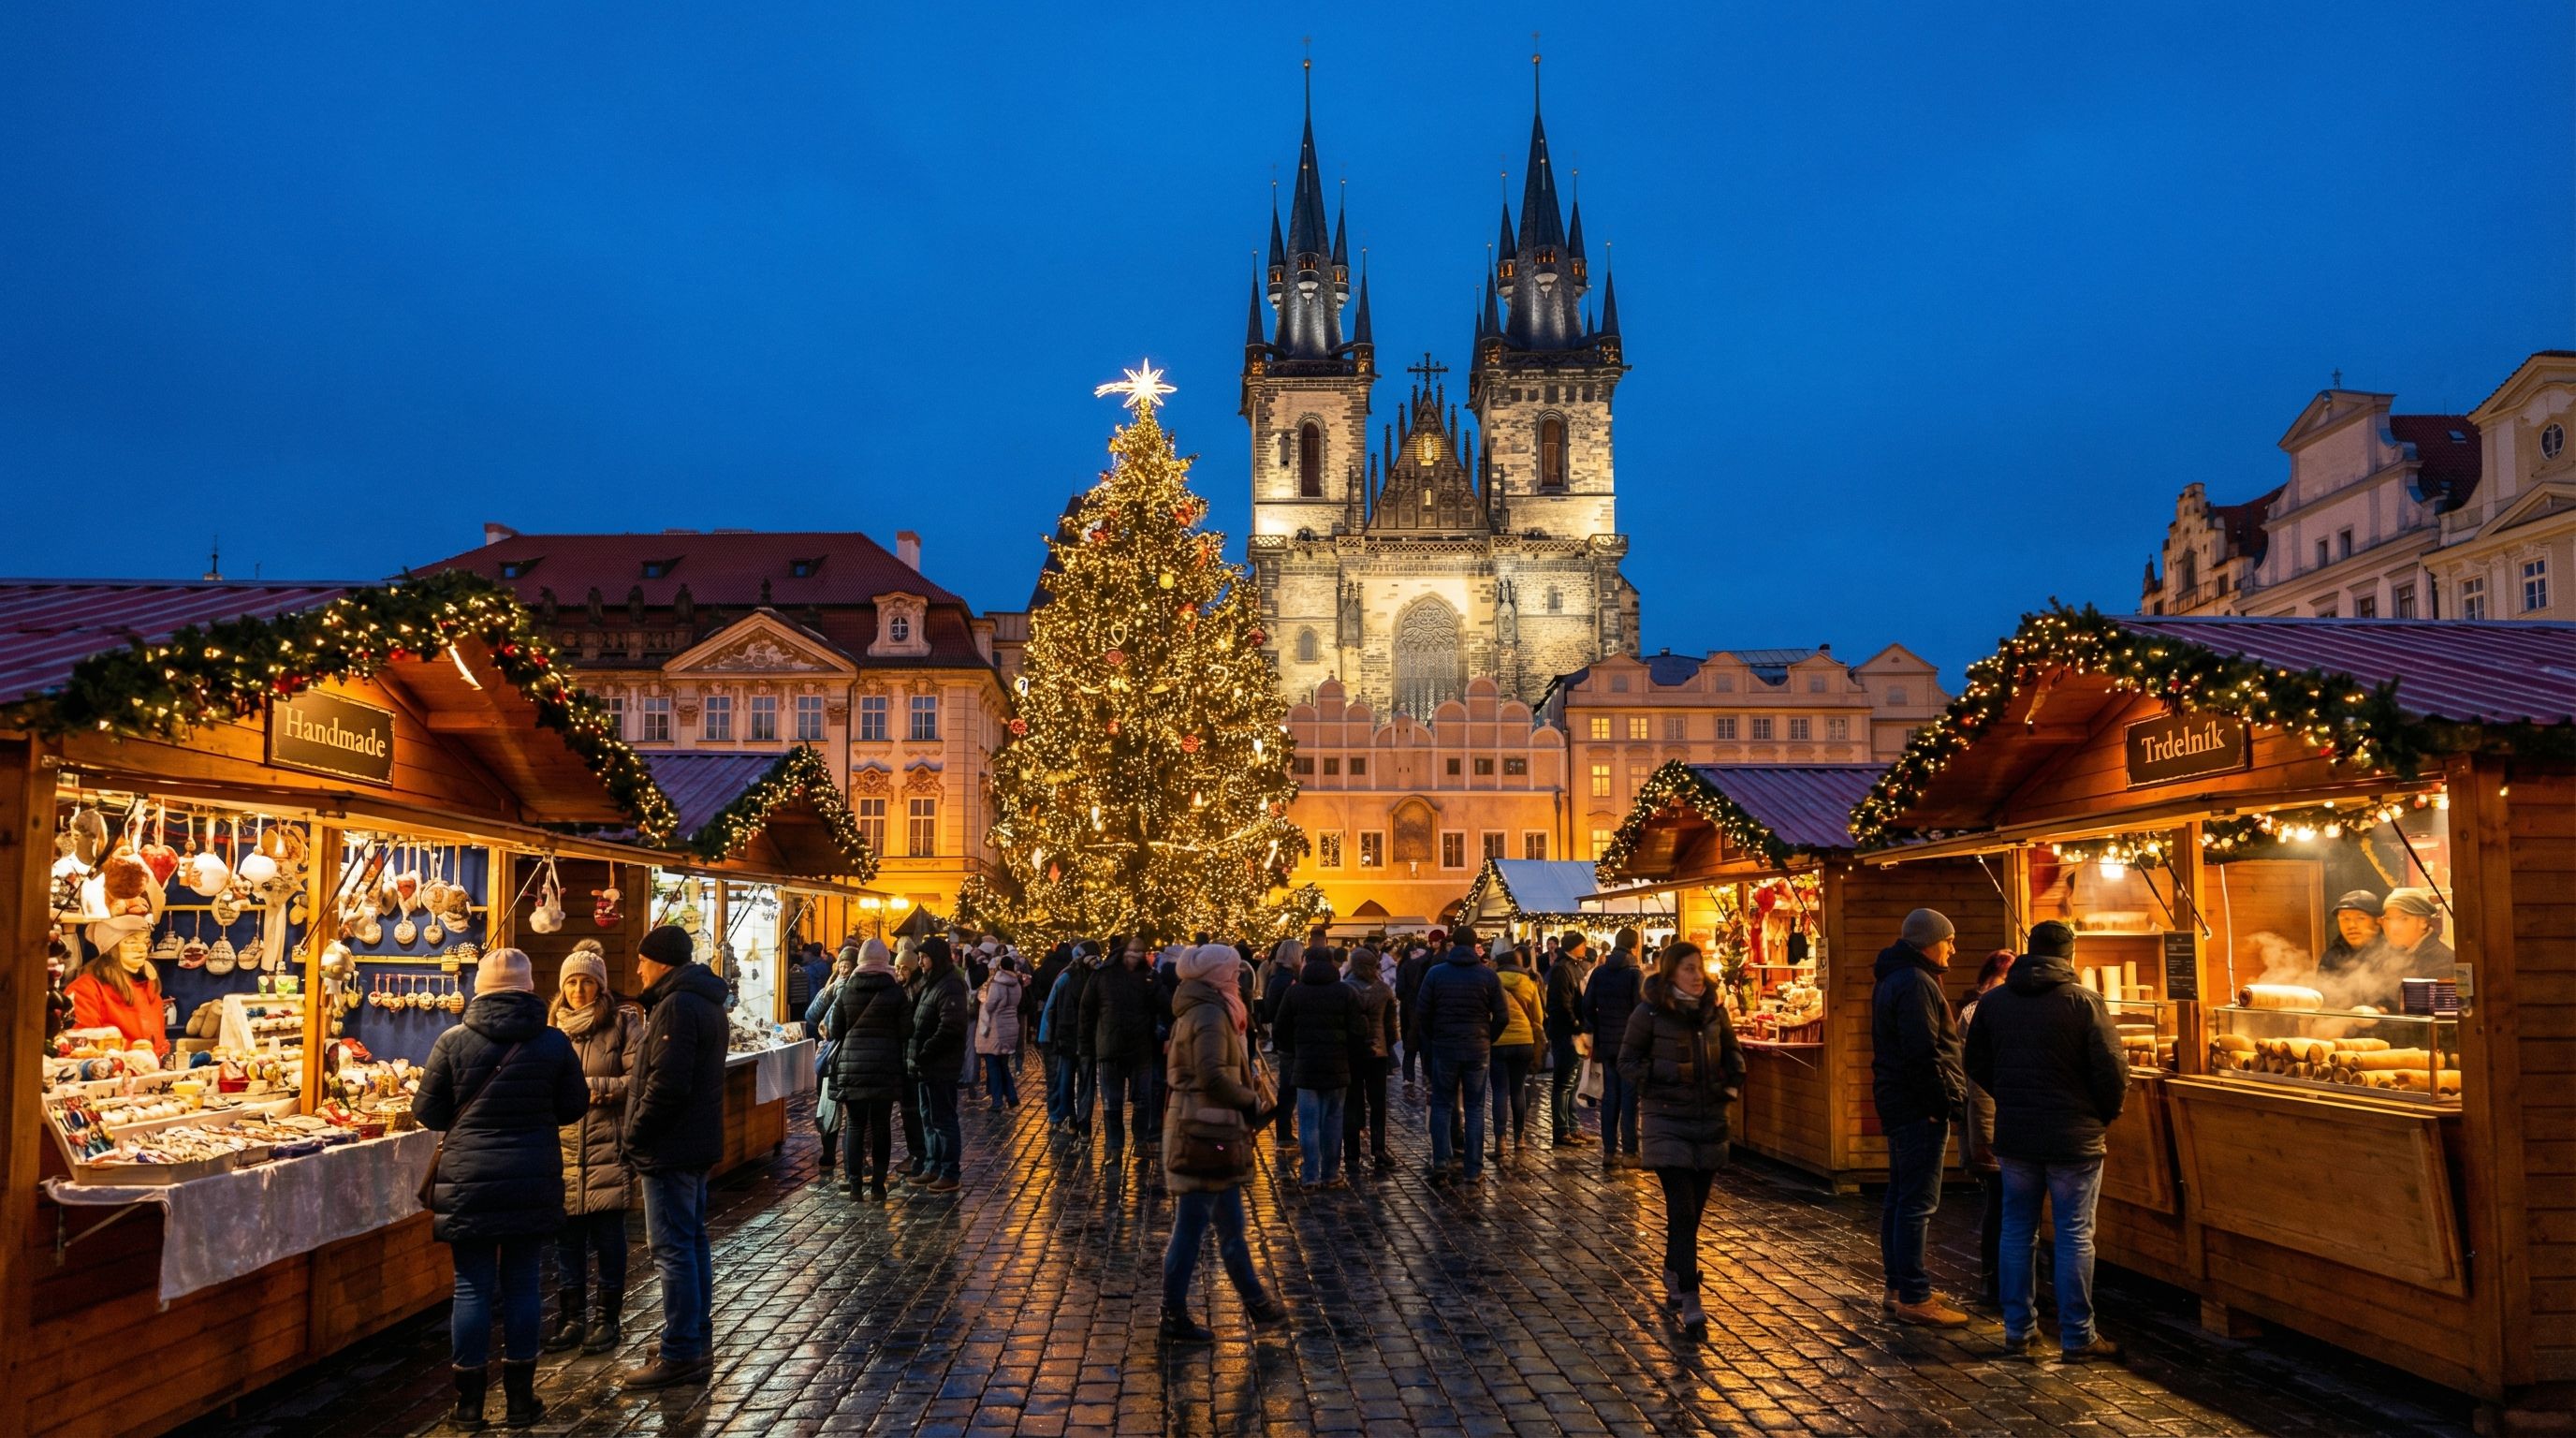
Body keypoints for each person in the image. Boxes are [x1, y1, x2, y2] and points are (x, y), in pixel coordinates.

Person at [415, 947, 587, 1429]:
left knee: (471, 1288)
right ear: (530, 987)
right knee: (523, 1283)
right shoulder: (554, 1044)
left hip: (468, 1181)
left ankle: (468, 1406)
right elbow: (575, 1106)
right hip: (532, 1174)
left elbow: (427, 1112)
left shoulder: (452, 1042)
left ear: (480, 987)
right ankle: (519, 1401)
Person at [1964, 920, 2129, 1362]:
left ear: (2029, 952)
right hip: (2075, 1138)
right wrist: (2103, 1113)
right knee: (2075, 1234)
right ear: (2070, 955)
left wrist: (2010, 1096)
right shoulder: (2084, 1002)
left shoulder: (1994, 1003)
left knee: (2017, 1230)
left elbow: (1975, 1062)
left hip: (2016, 1134)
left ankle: (2018, 1331)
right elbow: (2112, 1069)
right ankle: (2078, 1337)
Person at [620, 924, 731, 1390]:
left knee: (673, 1249)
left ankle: (682, 1349)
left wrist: (635, 1135)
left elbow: (667, 1084)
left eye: (643, 960)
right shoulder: (699, 1000)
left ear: (661, 960)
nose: (638, 969)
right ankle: (691, 1336)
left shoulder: (677, 1006)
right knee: (691, 1241)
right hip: (692, 1141)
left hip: (671, 1145)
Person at [1159, 941, 1288, 1342]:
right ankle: (1174, 1316)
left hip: (1209, 1130)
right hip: (1203, 1132)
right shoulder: (1210, 1015)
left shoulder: (1209, 1008)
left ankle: (1259, 1307)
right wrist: (1253, 1101)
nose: (1238, 977)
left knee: (1229, 1226)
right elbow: (1213, 1075)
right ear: (1217, 976)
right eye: (1232, 971)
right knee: (1192, 1227)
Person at [1617, 940, 1746, 1337]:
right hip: (1667, 1121)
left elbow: (1732, 1054)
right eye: (1688, 968)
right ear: (1671, 972)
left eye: (1699, 967)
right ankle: (1691, 1299)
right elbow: (1627, 1062)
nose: (1696, 975)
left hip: (1709, 1122)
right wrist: (1664, 1075)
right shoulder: (1649, 1012)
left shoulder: (1713, 1010)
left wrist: (1732, 1083)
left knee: (1693, 1215)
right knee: (1682, 1212)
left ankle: (1675, 1268)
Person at [545, 945, 646, 1357]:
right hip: (563, 1148)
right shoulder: (551, 1030)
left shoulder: (622, 1024)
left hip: (608, 1144)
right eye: (572, 981)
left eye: (587, 981)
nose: (579, 989)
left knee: (608, 1238)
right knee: (567, 1240)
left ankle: (607, 1318)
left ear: (601, 986)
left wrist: (595, 1090)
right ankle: (571, 1318)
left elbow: (638, 1077)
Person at [1871, 906, 1969, 1328]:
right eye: (1948, 940)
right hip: (1917, 1108)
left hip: (1899, 1102)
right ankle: (1914, 1293)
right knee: (1917, 1204)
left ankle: (1899, 1285)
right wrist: (1938, 1105)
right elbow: (1923, 1052)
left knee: (1900, 1198)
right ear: (1930, 942)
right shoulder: (1916, 983)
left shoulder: (1897, 977)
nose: (1953, 948)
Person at [1409, 925, 1506, 1185]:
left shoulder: (1436, 974)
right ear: (1475, 945)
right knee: (1474, 1108)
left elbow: (1423, 1013)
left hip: (1445, 1047)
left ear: (1452, 945)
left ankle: (1441, 1163)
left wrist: (1436, 1037)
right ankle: (1473, 1170)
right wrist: (1487, 1038)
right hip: (1477, 1049)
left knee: (1442, 1105)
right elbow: (1502, 1016)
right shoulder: (1487, 976)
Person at [1272, 941, 1360, 1189]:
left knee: (1309, 1122)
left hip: (1305, 1064)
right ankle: (1330, 1174)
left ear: (1306, 963)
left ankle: (1310, 1175)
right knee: (1333, 1120)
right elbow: (1358, 1030)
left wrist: (1295, 1049)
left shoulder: (1295, 992)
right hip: (1336, 1065)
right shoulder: (1345, 992)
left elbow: (1280, 1029)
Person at [1956, 949, 2015, 1311]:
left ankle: (1996, 1284)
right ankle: (1997, 1286)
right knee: (2002, 1206)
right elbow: (1981, 1087)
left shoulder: (1976, 1011)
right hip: (1997, 1130)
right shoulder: (1983, 1012)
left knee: (2001, 1206)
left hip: (1994, 1127)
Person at [831, 938, 913, 1200]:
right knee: (881, 1125)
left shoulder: (848, 989)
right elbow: (905, 1030)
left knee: (854, 1125)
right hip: (885, 1067)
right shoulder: (895, 992)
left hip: (852, 1067)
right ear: (885, 960)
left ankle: (854, 1185)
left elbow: (835, 1029)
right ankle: (878, 1185)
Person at [1081, 936, 1163, 1165]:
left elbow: (1086, 1014)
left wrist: (1087, 1046)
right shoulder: (1147, 977)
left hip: (1110, 1047)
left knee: (1112, 1101)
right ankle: (1140, 1142)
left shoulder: (1101, 975)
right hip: (1140, 1047)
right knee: (1142, 1100)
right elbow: (1165, 1006)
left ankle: (1114, 1148)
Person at [907, 936, 971, 1193]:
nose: (920, 962)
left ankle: (949, 1171)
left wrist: (926, 1050)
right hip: (926, 1065)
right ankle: (932, 1166)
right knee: (929, 1118)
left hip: (939, 1064)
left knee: (943, 1119)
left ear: (936, 957)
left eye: (924, 957)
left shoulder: (950, 984)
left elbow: (951, 1026)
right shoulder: (932, 983)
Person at [1581, 927, 1647, 1170]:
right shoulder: (1634, 974)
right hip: (1629, 1046)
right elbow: (1641, 1011)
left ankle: (1609, 1152)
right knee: (1630, 1098)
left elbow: (1587, 1006)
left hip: (1607, 1044)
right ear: (1635, 946)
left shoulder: (1599, 973)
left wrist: (1597, 1028)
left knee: (1610, 1097)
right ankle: (1630, 1152)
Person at [67, 920, 168, 1056]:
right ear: (111, 948)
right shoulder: (85, 989)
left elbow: (159, 1043)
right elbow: (80, 1048)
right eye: (131, 942)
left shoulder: (150, 987)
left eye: (146, 941)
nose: (142, 948)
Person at [1341, 946, 1399, 1175]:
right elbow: (1391, 1028)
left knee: (1352, 1102)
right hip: (1378, 1053)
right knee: (1378, 1103)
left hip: (1352, 1053)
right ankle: (1378, 1149)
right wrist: (1386, 1043)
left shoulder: (1345, 988)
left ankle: (1352, 1153)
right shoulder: (1384, 990)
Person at [803, 946, 856, 1179]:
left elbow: (835, 1024)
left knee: (845, 1106)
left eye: (848, 965)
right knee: (827, 1102)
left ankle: (852, 1158)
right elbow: (811, 1015)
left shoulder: (856, 987)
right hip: (828, 1055)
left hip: (846, 1054)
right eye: (841, 965)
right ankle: (828, 1153)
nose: (844, 969)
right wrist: (829, 991)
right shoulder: (832, 985)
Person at [1490, 944, 1545, 1164]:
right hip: (1524, 1041)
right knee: (1518, 1090)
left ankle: (1500, 1141)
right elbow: (1539, 1018)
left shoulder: (1493, 982)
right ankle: (1520, 1138)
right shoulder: (1529, 983)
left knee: (1500, 1092)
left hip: (1499, 1041)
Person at [1544, 931, 1595, 1148]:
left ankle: (1573, 1126)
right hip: (1566, 1033)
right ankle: (1562, 1129)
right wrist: (1575, 1024)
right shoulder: (1563, 969)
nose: (1585, 948)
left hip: (1575, 1030)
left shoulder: (1573, 966)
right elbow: (1563, 1003)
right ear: (1573, 946)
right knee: (1564, 1083)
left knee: (1573, 1083)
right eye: (1582, 945)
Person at [1256, 935, 1307, 1151]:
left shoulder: (1277, 977)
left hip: (1284, 1039)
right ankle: (1284, 1133)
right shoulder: (1287, 981)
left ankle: (1285, 1132)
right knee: (1288, 1088)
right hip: (1289, 1040)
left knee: (1289, 1087)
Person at [893, 940, 930, 1176]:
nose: (899, 973)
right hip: (905, 1058)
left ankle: (920, 1153)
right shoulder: (903, 990)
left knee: (917, 1109)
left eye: (904, 969)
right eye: (897, 969)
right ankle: (916, 1152)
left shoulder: (919, 990)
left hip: (916, 1058)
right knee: (908, 1108)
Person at [976, 954, 1026, 1110]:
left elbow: (990, 1005)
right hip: (1011, 1026)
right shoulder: (1016, 984)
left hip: (995, 1029)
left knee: (993, 1065)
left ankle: (997, 1101)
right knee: (1003, 1064)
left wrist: (982, 999)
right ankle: (1012, 1096)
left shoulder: (997, 984)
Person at [2381, 888, 2455, 978]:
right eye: (2388, 919)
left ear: (2423, 922)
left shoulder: (2443, 961)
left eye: (2403, 919)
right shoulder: (2386, 957)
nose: (2393, 927)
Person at [1395, 937, 1436, 1090]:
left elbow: (1399, 990)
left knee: (1410, 1045)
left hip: (1409, 1008)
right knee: (1426, 1045)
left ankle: (1408, 1077)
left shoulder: (1405, 965)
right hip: (1426, 1008)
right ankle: (1427, 1077)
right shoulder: (1429, 964)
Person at [2318, 890, 2386, 977]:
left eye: (2360, 918)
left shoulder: (2393, 954)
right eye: (2345, 919)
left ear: (2378, 921)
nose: (2351, 925)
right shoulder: (2333, 956)